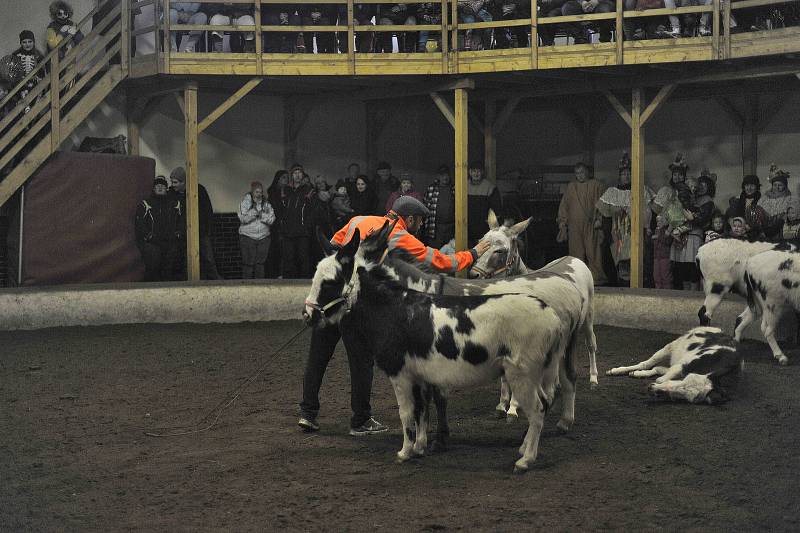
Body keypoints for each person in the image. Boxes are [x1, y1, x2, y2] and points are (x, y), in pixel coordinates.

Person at [298, 195, 491, 435]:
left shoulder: (359, 219)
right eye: (419, 221)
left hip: (332, 297)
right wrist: (473, 253)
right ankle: (360, 420)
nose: (420, 226)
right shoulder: (398, 235)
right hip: (355, 304)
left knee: (318, 354)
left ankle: (307, 413)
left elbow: (335, 248)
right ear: (409, 219)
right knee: (361, 362)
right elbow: (440, 262)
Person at [557, 161, 606, 285]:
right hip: (574, 226)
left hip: (591, 225)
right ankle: (577, 277)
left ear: (587, 172)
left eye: (582, 172)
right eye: (577, 173)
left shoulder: (596, 185)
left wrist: (599, 219)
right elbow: (564, 205)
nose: (580, 176)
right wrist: (563, 222)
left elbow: (602, 203)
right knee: (576, 252)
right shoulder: (571, 187)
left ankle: (596, 278)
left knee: (593, 251)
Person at [170, 167, 222, 280]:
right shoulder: (172, 194)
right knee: (184, 260)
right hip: (183, 234)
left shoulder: (199, 190)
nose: (173, 185)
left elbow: (207, 211)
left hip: (200, 231)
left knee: (208, 259)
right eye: (172, 182)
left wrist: (207, 230)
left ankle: (216, 281)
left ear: (183, 182)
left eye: (175, 182)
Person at [135, 176, 183, 281]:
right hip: (153, 244)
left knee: (168, 271)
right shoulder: (145, 204)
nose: (160, 188)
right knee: (153, 270)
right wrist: (149, 237)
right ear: (153, 189)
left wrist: (177, 234)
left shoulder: (175, 204)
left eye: (162, 186)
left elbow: (181, 220)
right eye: (157, 186)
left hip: (170, 242)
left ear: (166, 188)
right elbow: (139, 223)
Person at [281, 164, 314, 278]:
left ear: (303, 175)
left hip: (302, 231)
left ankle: (304, 284)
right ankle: (290, 284)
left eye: (300, 172)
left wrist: (307, 226)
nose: (297, 175)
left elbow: (312, 211)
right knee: (289, 258)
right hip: (288, 231)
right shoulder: (286, 190)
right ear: (292, 175)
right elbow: (282, 209)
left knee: (303, 258)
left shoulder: (308, 190)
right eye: (295, 173)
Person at [238, 181, 275, 279]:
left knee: (260, 264)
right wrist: (254, 214)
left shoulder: (266, 204)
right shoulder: (245, 203)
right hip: (248, 236)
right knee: (248, 263)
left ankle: (259, 286)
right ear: (252, 192)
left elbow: (272, 219)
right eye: (257, 192)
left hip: (264, 237)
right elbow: (243, 218)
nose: (259, 194)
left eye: (261, 192)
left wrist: (262, 216)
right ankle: (246, 286)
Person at [467, 161, 503, 246]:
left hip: (484, 232)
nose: (476, 173)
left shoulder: (490, 188)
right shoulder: (463, 186)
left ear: (482, 172)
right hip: (467, 231)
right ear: (470, 172)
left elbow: (497, 211)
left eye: (478, 171)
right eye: (473, 171)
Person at [423, 164, 455, 248]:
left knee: (450, 252)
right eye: (442, 175)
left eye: (446, 174)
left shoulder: (454, 188)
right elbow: (424, 207)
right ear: (438, 176)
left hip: (451, 227)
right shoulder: (431, 189)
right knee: (435, 253)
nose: (445, 177)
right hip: (435, 228)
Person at [266, 170, 289, 278]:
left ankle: (282, 272)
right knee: (277, 249)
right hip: (276, 226)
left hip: (286, 224)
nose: (286, 180)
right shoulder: (273, 193)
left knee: (285, 250)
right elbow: (276, 209)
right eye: (283, 177)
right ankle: (276, 273)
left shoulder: (288, 191)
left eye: (287, 178)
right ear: (278, 179)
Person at [759, 164, 791, 241]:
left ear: (785, 186)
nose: (777, 187)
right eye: (775, 185)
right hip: (764, 229)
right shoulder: (764, 198)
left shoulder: (789, 199)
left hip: (780, 229)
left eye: (780, 185)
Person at [651, 214, 673, 289]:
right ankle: (658, 294)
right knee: (656, 276)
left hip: (665, 256)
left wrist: (659, 236)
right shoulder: (656, 230)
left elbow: (668, 242)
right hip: (656, 257)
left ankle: (667, 294)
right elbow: (653, 244)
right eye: (657, 221)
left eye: (661, 221)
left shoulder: (668, 230)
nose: (658, 223)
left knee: (665, 277)